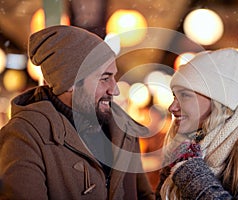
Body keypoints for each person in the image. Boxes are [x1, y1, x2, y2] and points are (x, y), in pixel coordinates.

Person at [0, 25, 154, 200]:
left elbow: (144, 196)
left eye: (114, 77)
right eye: (104, 78)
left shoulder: (124, 130)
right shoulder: (25, 136)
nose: (115, 90)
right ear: (71, 83)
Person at [155, 48, 238, 199]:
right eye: (174, 96)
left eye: (184, 95)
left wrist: (190, 173)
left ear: (216, 101)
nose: (172, 107)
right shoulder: (181, 150)